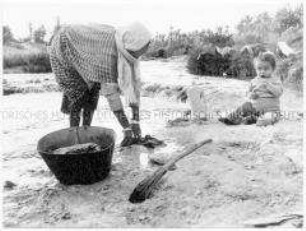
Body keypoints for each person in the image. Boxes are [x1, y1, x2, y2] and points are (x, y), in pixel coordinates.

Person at [48, 22, 152, 146]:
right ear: (135, 44)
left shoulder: (128, 51)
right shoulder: (108, 56)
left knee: (92, 96)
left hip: (87, 54)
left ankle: (85, 133)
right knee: (78, 95)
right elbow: (112, 96)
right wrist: (126, 128)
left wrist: (135, 121)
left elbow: (134, 87)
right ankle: (74, 140)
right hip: (64, 47)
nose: (148, 48)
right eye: (145, 46)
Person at [218, 51, 283, 126]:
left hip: (271, 111)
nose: (262, 71)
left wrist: (269, 86)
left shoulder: (275, 80)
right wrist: (251, 95)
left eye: (266, 69)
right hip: (255, 109)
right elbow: (248, 93)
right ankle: (230, 118)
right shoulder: (254, 81)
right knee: (246, 105)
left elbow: (278, 93)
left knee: (265, 120)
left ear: (273, 69)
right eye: (259, 69)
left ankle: (255, 119)